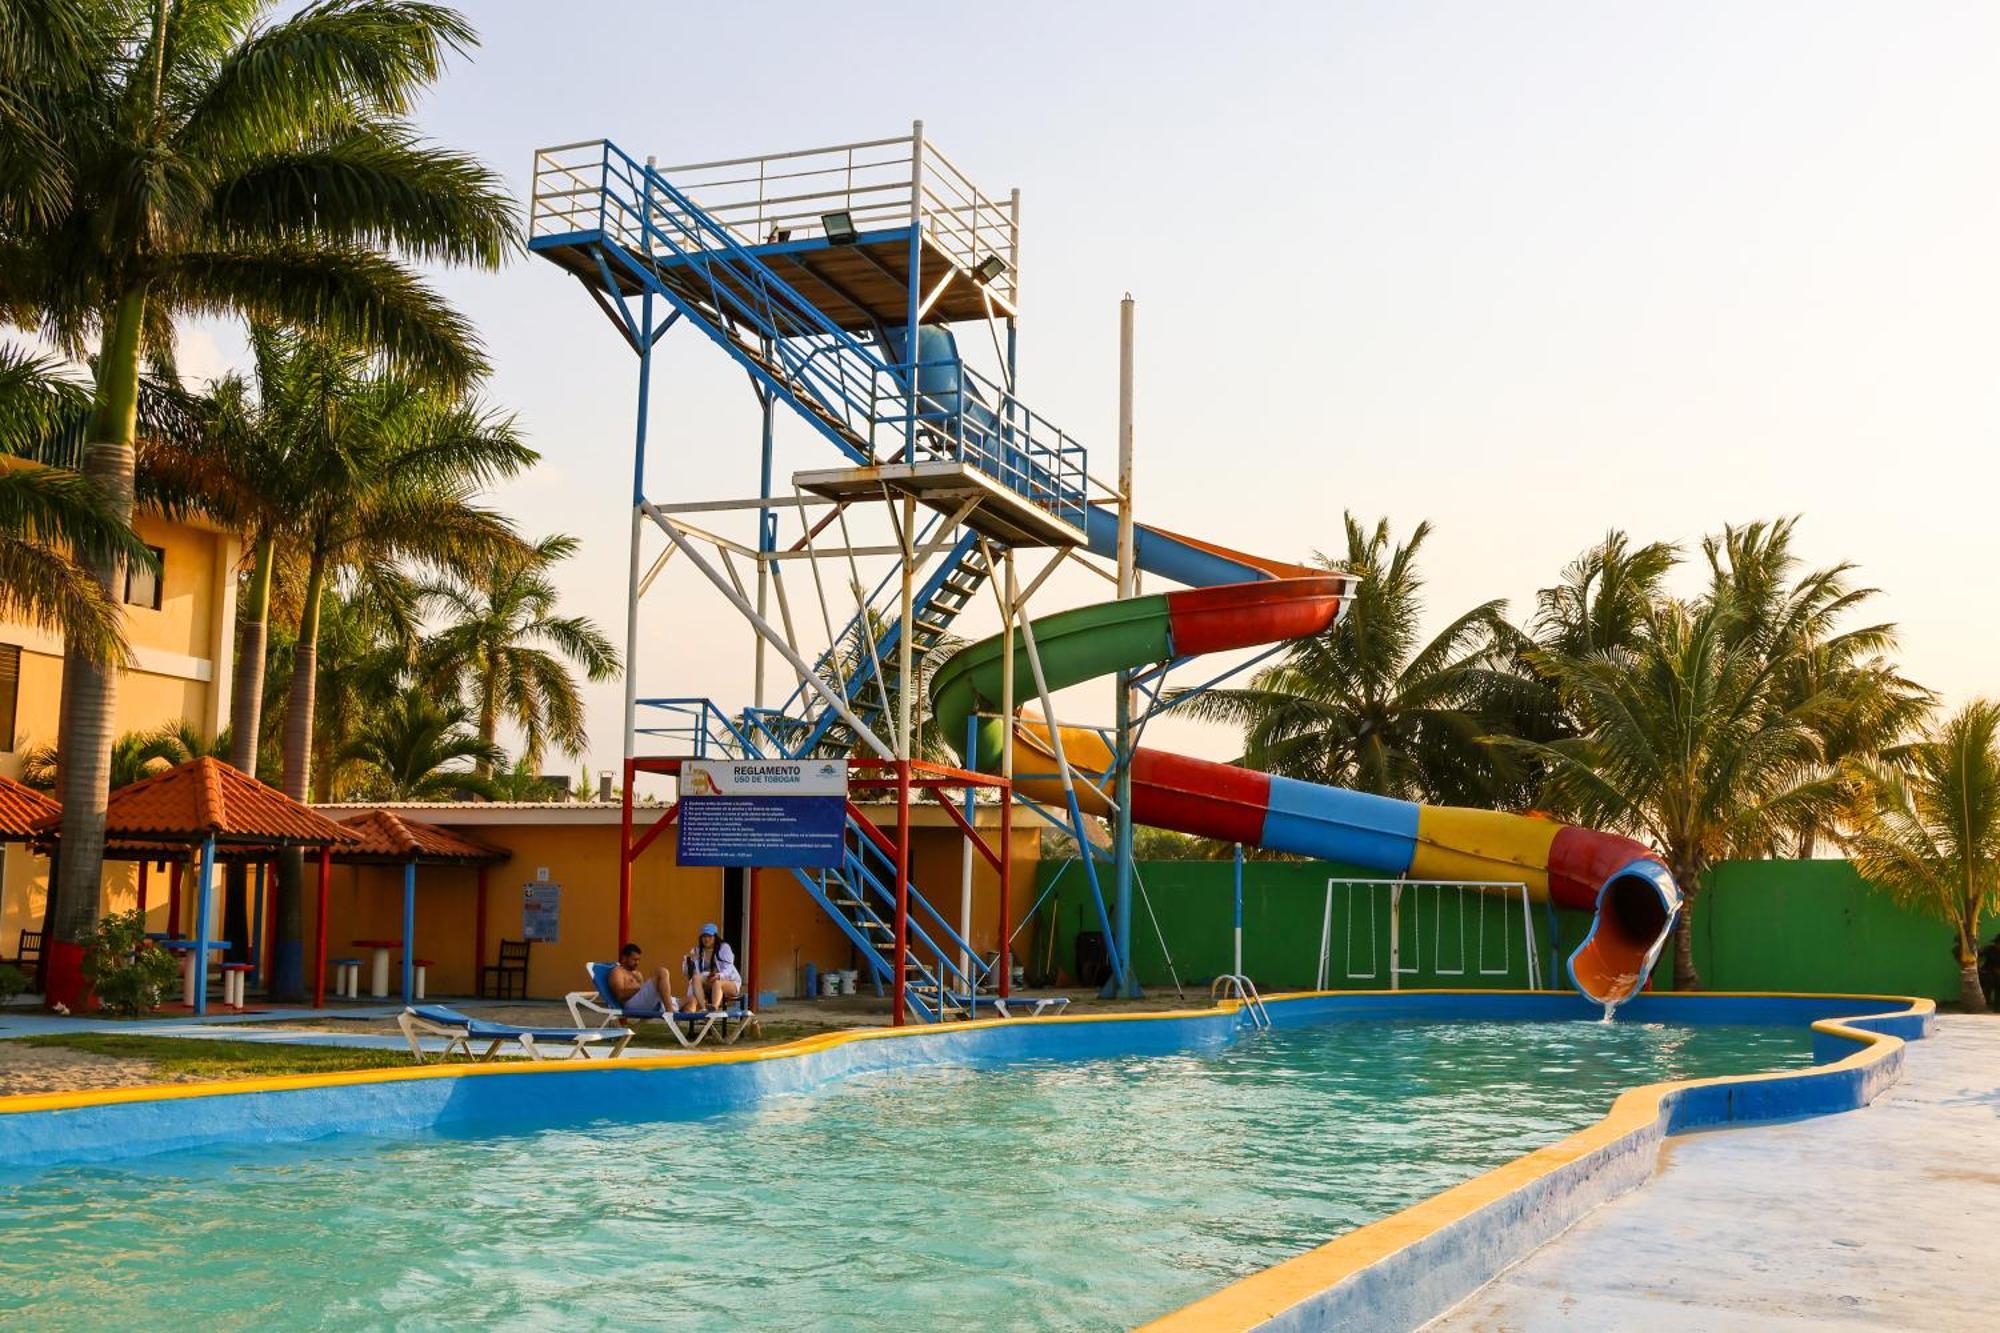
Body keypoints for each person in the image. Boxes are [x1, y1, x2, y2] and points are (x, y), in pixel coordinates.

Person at [606, 943, 677, 1018]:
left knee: (688, 999)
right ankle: (670, 1013)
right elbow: (620, 995)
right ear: (624, 958)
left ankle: (672, 1009)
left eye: (638, 960)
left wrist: (641, 985)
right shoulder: (618, 971)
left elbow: (643, 993)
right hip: (631, 1005)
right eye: (634, 960)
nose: (637, 963)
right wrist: (638, 988)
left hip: (643, 1004)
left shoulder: (637, 974)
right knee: (662, 972)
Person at [683, 923, 742, 1013]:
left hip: (729, 982)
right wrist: (689, 961)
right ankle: (704, 1009)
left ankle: (713, 1008)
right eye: (704, 936)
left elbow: (729, 969)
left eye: (710, 936)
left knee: (717, 983)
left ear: (715, 937)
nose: (706, 939)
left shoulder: (724, 948)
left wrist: (719, 976)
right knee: (696, 978)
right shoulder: (696, 950)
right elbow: (686, 972)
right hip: (709, 983)